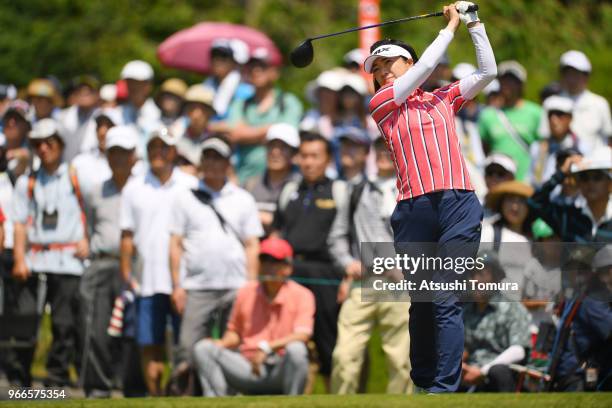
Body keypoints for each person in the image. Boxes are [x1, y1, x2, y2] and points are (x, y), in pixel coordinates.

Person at [364, 2, 495, 393]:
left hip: (458, 205)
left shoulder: (443, 98)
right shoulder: (382, 105)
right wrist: (448, 28)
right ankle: (423, 383)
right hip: (413, 211)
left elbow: (487, 71)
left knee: (444, 294)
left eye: (390, 63)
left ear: (408, 61)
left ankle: (444, 388)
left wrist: (472, 22)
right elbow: (421, 72)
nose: (383, 72)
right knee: (422, 303)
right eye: (377, 69)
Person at [169, 137, 263, 378]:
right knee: (187, 348)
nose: (211, 163)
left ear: (228, 163)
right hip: (197, 286)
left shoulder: (243, 198)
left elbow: (252, 244)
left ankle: (229, 395)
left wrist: (251, 285)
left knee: (232, 348)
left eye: (217, 158)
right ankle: (186, 397)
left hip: (236, 285)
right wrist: (177, 286)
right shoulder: (184, 197)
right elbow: (175, 244)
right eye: (207, 157)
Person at [328, 136, 413, 394]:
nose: (384, 153)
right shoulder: (356, 190)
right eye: (379, 149)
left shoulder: (412, 191)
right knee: (345, 356)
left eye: (389, 148)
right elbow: (337, 236)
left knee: (402, 361)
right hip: (363, 280)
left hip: (400, 284)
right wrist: (347, 262)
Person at [119, 127, 197, 396]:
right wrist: (127, 273)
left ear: (174, 151)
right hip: (147, 279)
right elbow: (126, 235)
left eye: (164, 147)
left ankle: (180, 396)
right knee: (149, 343)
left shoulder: (190, 185)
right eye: (153, 147)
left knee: (183, 344)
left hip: (184, 279)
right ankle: (156, 398)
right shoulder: (134, 187)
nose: (158, 153)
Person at [12, 119, 89, 387]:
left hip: (68, 261)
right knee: (26, 322)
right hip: (36, 259)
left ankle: (56, 380)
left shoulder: (76, 175)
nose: (43, 149)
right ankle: (20, 379)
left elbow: (92, 211)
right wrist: (20, 258)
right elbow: (19, 222)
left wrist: (88, 239)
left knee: (64, 324)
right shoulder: (27, 182)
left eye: (49, 143)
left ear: (60, 144)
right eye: (37, 144)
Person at [272, 132, 348, 390]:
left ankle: (334, 396)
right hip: (291, 273)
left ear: (327, 159)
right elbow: (277, 233)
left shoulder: (339, 190)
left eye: (315, 156)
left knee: (329, 341)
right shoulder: (289, 190)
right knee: (290, 339)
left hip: (326, 274)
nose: (308, 162)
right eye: (304, 156)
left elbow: (346, 236)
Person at [193, 237, 314, 397]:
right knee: (203, 349)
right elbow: (234, 332)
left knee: (297, 350)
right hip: (248, 368)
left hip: (281, 368)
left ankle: (293, 403)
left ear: (288, 267)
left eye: (274, 261)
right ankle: (217, 403)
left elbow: (302, 335)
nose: (268, 267)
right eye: (264, 260)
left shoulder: (303, 295)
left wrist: (267, 348)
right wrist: (221, 343)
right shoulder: (245, 292)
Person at [79, 125, 141, 398]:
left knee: (134, 329)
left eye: (123, 153)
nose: (118, 158)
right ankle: (98, 387)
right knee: (95, 327)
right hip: (103, 261)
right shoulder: (95, 191)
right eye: (113, 152)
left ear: (133, 156)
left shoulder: (143, 189)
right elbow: (90, 228)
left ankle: (132, 387)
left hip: (136, 265)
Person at [226, 47, 303, 183]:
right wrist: (271, 129)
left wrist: (248, 133)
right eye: (252, 67)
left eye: (262, 66)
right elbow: (235, 134)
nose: (256, 71)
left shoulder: (288, 102)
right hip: (245, 179)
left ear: (275, 72)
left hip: (283, 182)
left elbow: (288, 134)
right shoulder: (241, 104)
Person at [462, 251, 532, 392]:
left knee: (498, 371)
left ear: (495, 279)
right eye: (472, 274)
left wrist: (483, 371)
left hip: (499, 374)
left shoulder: (512, 308)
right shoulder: (466, 311)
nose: (475, 280)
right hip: (470, 372)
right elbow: (465, 348)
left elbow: (519, 350)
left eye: (481, 274)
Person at [529, 146, 611, 243]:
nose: (590, 183)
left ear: (610, 184)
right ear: (579, 184)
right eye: (584, 178)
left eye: (597, 177)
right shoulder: (568, 218)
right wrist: (562, 173)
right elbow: (534, 202)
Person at [478, 60, 542, 181]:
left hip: (525, 182)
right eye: (504, 80)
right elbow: (484, 149)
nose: (507, 84)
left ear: (521, 85)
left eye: (512, 81)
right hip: (497, 184)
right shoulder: (487, 115)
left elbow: (542, 149)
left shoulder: (536, 113)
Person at [243, 123, 300, 236]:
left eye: (283, 147)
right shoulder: (250, 185)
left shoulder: (301, 186)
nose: (275, 152)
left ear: (294, 153)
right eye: (271, 146)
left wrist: (272, 221)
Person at [554, 50, 611, 154]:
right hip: (561, 165)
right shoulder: (553, 103)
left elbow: (609, 139)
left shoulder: (599, 104)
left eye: (576, 74)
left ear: (586, 76)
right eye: (568, 74)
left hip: (594, 166)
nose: (571, 79)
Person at [530, 95, 581, 187]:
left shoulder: (581, 146)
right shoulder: (537, 147)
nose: (554, 120)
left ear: (570, 118)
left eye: (559, 114)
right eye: (550, 115)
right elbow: (531, 179)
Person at [71, 109, 123, 196]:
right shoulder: (81, 162)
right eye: (99, 126)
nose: (102, 132)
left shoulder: (130, 162)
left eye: (108, 126)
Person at [115, 60, 162, 156]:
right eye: (130, 83)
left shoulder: (159, 115)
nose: (134, 87)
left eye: (138, 83)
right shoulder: (116, 113)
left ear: (149, 86)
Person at [203, 39, 252, 121]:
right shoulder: (207, 85)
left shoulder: (245, 91)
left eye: (223, 57)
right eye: (214, 56)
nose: (217, 60)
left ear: (234, 62)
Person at [172, 85, 216, 175]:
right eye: (192, 108)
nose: (196, 115)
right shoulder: (174, 134)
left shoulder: (215, 141)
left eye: (202, 109)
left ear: (210, 113)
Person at [57, 75, 101, 162]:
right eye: (80, 90)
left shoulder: (104, 118)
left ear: (97, 95)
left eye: (89, 90)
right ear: (74, 95)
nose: (84, 92)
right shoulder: (61, 117)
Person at [1, 100, 32, 180]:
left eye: (17, 119)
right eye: (8, 118)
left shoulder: (36, 152)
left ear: (27, 126)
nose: (11, 123)